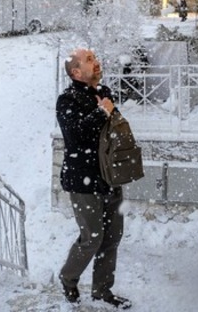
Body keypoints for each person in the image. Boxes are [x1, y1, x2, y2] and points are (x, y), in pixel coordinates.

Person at [56, 48, 132, 310]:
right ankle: (68, 278)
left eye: (95, 58)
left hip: (109, 176)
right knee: (92, 237)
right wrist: (102, 112)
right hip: (83, 181)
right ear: (76, 72)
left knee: (112, 237)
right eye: (89, 60)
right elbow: (75, 136)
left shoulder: (105, 93)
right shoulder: (66, 100)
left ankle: (102, 291)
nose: (96, 62)